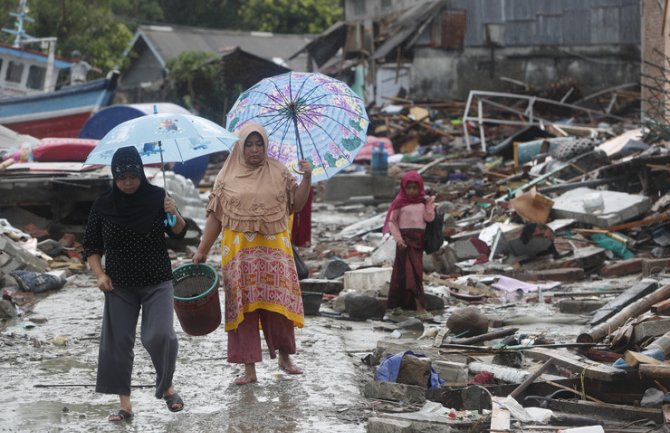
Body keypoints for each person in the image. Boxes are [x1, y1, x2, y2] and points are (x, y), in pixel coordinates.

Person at [193, 121, 312, 386]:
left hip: (275, 255)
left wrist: (307, 178)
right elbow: (215, 217)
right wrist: (202, 250)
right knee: (243, 310)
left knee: (279, 307)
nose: (255, 150)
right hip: (240, 257)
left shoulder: (280, 172)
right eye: (249, 144)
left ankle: (285, 357)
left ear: (266, 145)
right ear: (240, 146)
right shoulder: (226, 176)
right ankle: (249, 369)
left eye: (259, 144)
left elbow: (297, 204)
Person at [82, 146, 187, 422]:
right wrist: (99, 274)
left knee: (160, 335)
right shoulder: (103, 204)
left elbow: (179, 232)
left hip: (157, 280)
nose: (128, 182)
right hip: (119, 285)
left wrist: (173, 211)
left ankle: (166, 387)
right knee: (117, 344)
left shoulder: (157, 197)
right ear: (114, 177)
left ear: (141, 173)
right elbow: (91, 246)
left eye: (133, 176)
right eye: (122, 177)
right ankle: (125, 406)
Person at [383, 171, 436, 319]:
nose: (412, 191)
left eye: (415, 188)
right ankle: (402, 306)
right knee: (402, 274)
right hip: (404, 242)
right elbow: (392, 222)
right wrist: (398, 239)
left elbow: (429, 219)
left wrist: (429, 204)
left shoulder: (422, 202)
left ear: (420, 187)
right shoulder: (400, 201)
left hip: (418, 241)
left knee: (416, 273)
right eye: (409, 188)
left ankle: (417, 307)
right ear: (404, 188)